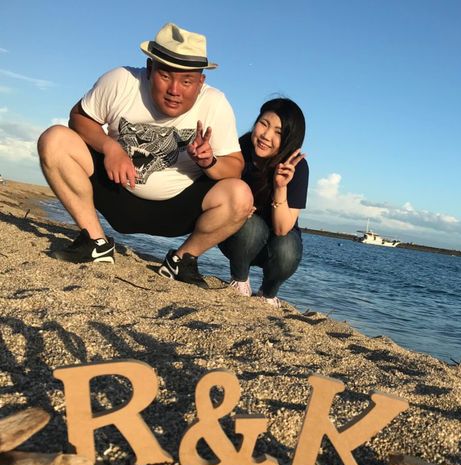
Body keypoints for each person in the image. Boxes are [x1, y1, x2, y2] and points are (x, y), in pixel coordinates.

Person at [37, 22, 252, 288]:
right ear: (150, 69)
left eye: (187, 81)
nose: (175, 90)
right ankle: (95, 242)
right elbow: (79, 118)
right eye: (165, 76)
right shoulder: (121, 80)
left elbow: (235, 168)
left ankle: (182, 260)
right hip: (116, 190)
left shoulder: (215, 103)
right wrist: (109, 147)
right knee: (54, 139)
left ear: (201, 82)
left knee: (241, 196)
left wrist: (210, 161)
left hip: (178, 210)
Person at [219, 98, 308, 307]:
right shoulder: (239, 149)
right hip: (239, 236)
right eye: (264, 124)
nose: (266, 136)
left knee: (288, 247)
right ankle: (240, 280)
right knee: (251, 227)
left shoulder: (297, 167)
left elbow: (282, 228)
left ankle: (267, 293)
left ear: (289, 140)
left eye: (278, 132)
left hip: (276, 243)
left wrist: (280, 187)